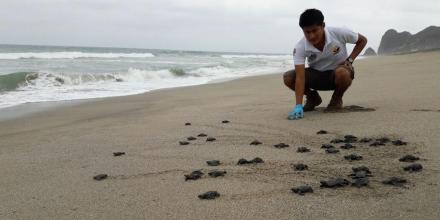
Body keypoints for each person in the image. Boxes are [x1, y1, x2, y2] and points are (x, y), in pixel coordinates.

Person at [283, 8, 367, 120]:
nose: (311, 36)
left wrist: (350, 60)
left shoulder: (339, 32)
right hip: (316, 77)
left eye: (314, 30)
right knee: (288, 77)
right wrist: (298, 105)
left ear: (323, 25)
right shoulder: (300, 47)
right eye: (307, 32)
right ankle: (312, 97)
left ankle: (336, 99)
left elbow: (362, 40)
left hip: (338, 74)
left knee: (342, 72)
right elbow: (300, 77)